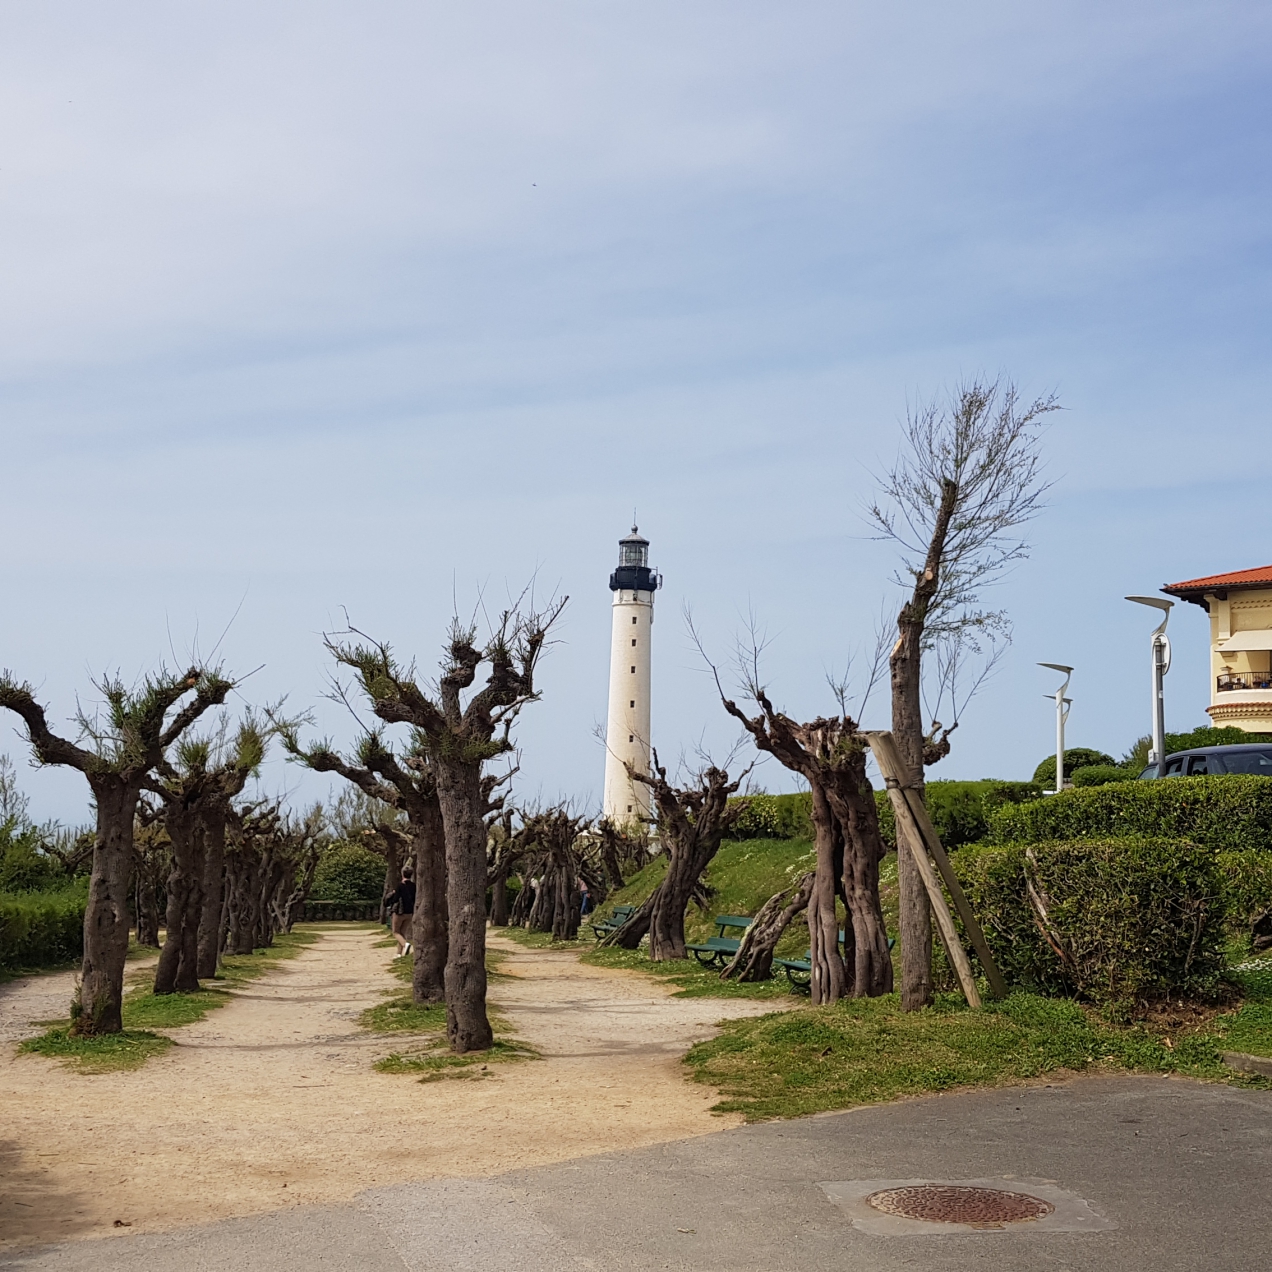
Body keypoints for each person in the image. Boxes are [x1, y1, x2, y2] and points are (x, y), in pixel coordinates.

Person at [385, 864, 416, 958]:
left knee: (395, 932)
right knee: (402, 932)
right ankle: (399, 953)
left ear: (402, 874)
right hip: (409, 912)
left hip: (399, 912)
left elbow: (395, 899)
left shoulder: (400, 886)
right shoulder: (414, 886)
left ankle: (405, 944)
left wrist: (393, 894)